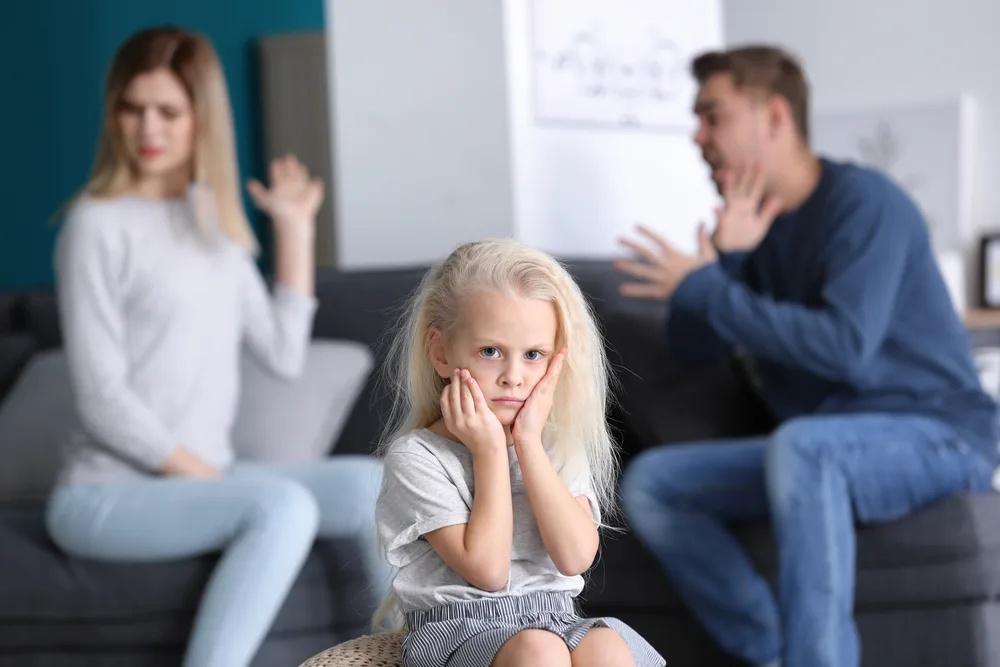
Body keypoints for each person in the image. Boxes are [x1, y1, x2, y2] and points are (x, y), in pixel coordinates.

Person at [614, 44, 999, 667]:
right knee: (656, 484)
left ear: (774, 117)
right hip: (822, 447)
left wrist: (708, 285)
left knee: (804, 444)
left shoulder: (866, 204)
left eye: (714, 115)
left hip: (941, 436)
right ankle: (771, 653)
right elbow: (693, 349)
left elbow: (844, 349)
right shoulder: (752, 229)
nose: (697, 135)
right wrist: (729, 262)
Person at [44, 26, 388, 667]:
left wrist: (294, 232)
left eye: (169, 111)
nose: (148, 127)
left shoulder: (214, 227)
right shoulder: (96, 224)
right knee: (278, 505)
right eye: (131, 107)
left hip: (202, 479)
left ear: (202, 118)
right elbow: (101, 400)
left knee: (373, 485)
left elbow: (284, 355)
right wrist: (212, 478)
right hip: (105, 495)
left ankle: (426, 653)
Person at [372, 239, 665, 667]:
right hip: (460, 630)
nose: (513, 377)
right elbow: (488, 572)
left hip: (557, 619)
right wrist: (489, 451)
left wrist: (528, 445)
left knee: (606, 647)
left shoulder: (554, 445)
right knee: (539, 651)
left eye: (533, 356)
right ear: (440, 352)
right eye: (490, 352)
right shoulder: (418, 456)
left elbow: (575, 558)